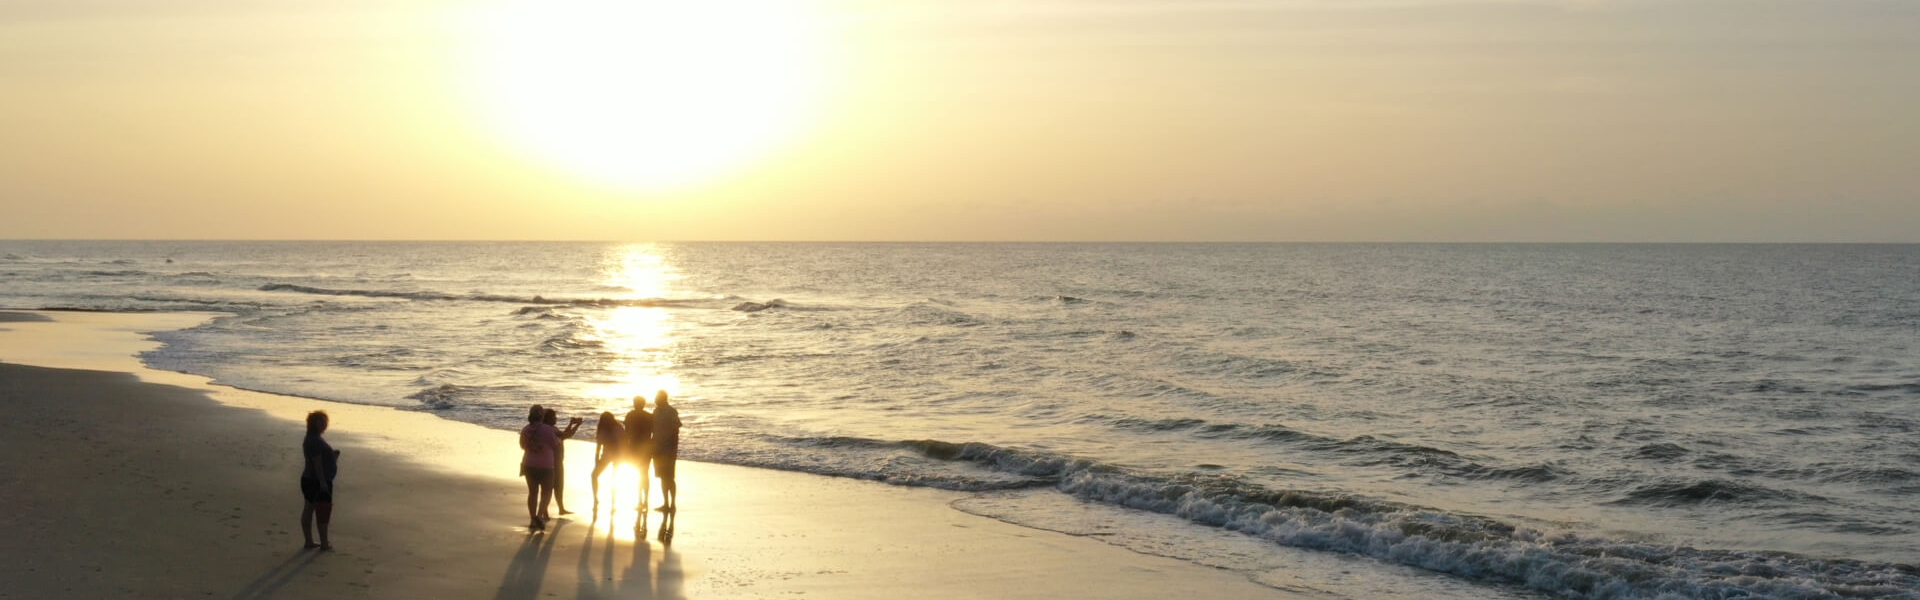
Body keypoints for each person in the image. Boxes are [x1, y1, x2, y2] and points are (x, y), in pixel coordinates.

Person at [300, 410, 341, 550]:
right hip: (316, 481)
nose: (324, 424)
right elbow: (316, 463)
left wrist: (332, 459)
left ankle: (309, 542)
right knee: (322, 511)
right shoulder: (314, 440)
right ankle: (323, 543)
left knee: (310, 508)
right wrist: (323, 482)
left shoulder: (313, 437)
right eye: (321, 421)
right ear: (313, 423)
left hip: (310, 479)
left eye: (325, 421)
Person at [520, 404, 559, 530]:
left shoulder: (526, 429)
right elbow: (554, 444)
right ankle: (539, 515)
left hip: (529, 464)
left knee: (532, 493)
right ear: (542, 416)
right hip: (546, 466)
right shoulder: (548, 430)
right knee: (546, 492)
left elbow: (522, 446)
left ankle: (532, 520)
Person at [543, 409, 584, 516]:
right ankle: (549, 510)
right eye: (554, 417)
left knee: (553, 487)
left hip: (554, 462)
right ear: (548, 418)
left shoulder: (549, 429)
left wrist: (571, 424)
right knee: (556, 487)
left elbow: (563, 436)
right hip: (555, 463)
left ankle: (557, 509)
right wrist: (577, 425)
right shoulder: (551, 430)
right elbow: (567, 435)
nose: (556, 418)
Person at [651, 390, 682, 513]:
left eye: (657, 398)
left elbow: (676, 429)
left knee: (669, 477)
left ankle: (672, 504)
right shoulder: (656, 411)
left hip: (668, 450)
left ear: (663, 398)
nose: (655, 400)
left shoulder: (671, 411)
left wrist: (672, 448)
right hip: (657, 449)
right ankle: (666, 503)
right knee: (663, 477)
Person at [622, 396, 654, 516]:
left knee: (639, 474)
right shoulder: (649, 416)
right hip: (646, 448)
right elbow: (653, 432)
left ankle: (640, 500)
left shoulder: (630, 415)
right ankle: (645, 500)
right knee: (644, 474)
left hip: (634, 448)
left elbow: (626, 433)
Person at [589, 411, 624, 508]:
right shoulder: (619, 427)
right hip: (619, 455)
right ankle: (614, 499)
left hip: (607, 455)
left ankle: (596, 498)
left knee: (594, 475)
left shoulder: (603, 429)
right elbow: (625, 440)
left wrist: (597, 458)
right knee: (614, 476)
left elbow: (599, 445)